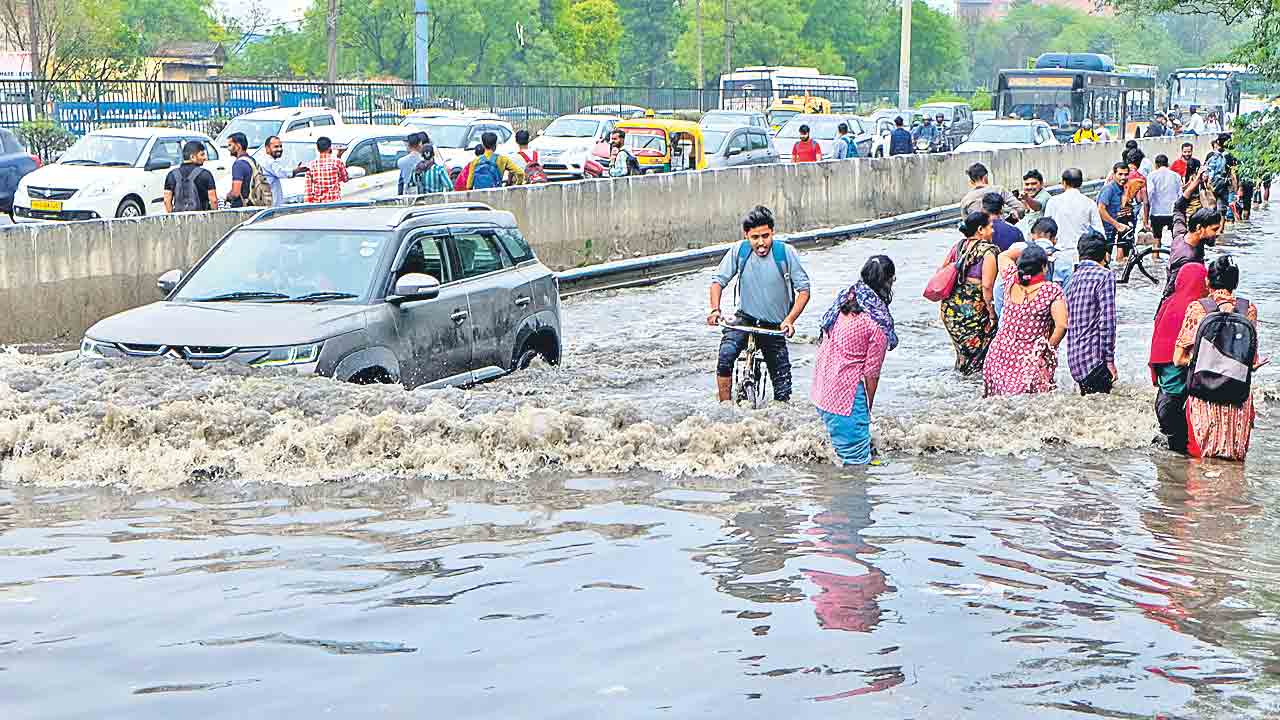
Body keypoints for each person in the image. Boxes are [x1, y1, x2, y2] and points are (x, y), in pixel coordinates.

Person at [707, 206, 812, 403]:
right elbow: (717, 282)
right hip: (745, 317)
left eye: (766, 236)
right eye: (755, 237)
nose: (761, 243)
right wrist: (715, 310)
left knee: (783, 391)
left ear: (773, 232)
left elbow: (804, 291)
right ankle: (724, 408)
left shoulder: (785, 253)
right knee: (725, 357)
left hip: (774, 324)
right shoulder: (740, 251)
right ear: (746, 235)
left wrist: (789, 320)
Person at [1173, 256, 1262, 461]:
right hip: (1237, 398)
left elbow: (1178, 358)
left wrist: (1208, 361)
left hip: (1204, 396)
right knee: (1235, 468)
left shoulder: (1198, 309)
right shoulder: (1249, 309)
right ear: (1235, 283)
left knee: (1200, 465)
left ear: (1207, 282)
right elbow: (1251, 361)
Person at [1150, 208, 1222, 452]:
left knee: (1168, 391)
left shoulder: (1180, 238)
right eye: (1215, 229)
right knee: (1173, 396)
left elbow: (1178, 210)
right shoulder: (1196, 310)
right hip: (1174, 382)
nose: (1218, 233)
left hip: (1164, 365)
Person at [812, 256, 896, 465]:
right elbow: (871, 375)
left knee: (835, 459)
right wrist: (866, 412)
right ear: (889, 282)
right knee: (856, 467)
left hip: (822, 392)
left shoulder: (843, 301)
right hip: (845, 401)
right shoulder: (877, 325)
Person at [982, 243, 1067, 397]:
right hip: (1029, 358)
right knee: (1034, 408)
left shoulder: (1010, 280)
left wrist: (1028, 253)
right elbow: (1061, 326)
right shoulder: (1051, 290)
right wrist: (1046, 351)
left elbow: (1003, 255)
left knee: (1000, 406)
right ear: (1044, 267)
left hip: (999, 354)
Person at [940, 212, 999, 376]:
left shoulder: (958, 246)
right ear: (981, 229)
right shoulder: (988, 251)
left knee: (963, 354)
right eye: (990, 227)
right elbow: (987, 286)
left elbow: (941, 271)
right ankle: (975, 389)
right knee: (980, 354)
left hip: (950, 311)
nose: (993, 231)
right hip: (974, 312)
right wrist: (993, 314)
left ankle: (960, 380)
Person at [1065, 230, 1117, 395]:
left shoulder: (1073, 278)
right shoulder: (1105, 276)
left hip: (1075, 361)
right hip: (1094, 360)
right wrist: (1109, 360)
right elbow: (1108, 322)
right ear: (1105, 255)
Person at [995, 216, 1065, 316]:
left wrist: (1002, 315)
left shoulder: (1015, 251)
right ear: (1054, 239)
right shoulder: (1063, 260)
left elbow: (999, 288)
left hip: (1010, 319)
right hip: (1041, 325)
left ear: (1032, 235)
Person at [1044, 167, 1104, 250]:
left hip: (1059, 249)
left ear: (1063, 183)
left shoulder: (1053, 201)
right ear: (1081, 183)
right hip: (1082, 250)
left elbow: (1046, 227)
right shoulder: (1089, 203)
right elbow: (1099, 230)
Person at [163, 140, 219, 213]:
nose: (205, 158)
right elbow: (213, 200)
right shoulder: (205, 174)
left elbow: (166, 201)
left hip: (180, 220)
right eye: (202, 155)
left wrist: (172, 217)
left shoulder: (172, 175)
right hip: (202, 219)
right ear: (192, 157)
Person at [960, 163, 1025, 220]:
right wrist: (1012, 217)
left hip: (979, 233)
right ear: (985, 177)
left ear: (971, 181)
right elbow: (1020, 208)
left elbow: (967, 224)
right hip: (999, 231)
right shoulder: (999, 190)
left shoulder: (965, 200)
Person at [1097, 161, 1132, 263]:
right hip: (1105, 230)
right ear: (1114, 175)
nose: (1123, 177)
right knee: (1105, 260)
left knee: (1113, 259)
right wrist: (1116, 224)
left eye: (1125, 174)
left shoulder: (1121, 188)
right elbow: (1100, 209)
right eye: (1120, 174)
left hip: (1112, 229)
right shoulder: (1109, 189)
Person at [1146, 154, 1181, 250]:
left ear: (1156, 165)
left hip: (1157, 212)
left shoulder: (1151, 176)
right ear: (1168, 163)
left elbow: (1150, 193)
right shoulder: (1176, 176)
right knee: (1175, 238)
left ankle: (1155, 260)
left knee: (1156, 239)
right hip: (1172, 212)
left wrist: (1146, 214)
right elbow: (1180, 195)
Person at [304, 136, 349, 204]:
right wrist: (339, 156)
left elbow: (308, 189)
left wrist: (309, 204)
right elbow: (345, 179)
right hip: (335, 203)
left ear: (318, 149)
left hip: (318, 204)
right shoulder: (337, 162)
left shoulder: (311, 165)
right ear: (330, 147)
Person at [1120, 148, 1149, 246]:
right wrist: (1145, 221)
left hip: (1115, 208)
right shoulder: (1140, 178)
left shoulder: (1117, 174)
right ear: (1140, 162)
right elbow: (1143, 200)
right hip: (1129, 210)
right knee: (1128, 235)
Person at [1014, 169, 1051, 236]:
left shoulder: (1044, 195)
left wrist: (1027, 198)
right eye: (1027, 184)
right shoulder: (1027, 197)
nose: (1030, 187)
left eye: (1034, 184)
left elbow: (1037, 206)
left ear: (1041, 183)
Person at [225, 132, 253, 208]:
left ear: (238, 146)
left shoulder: (238, 164)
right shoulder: (252, 161)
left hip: (243, 207)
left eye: (230, 145)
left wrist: (226, 197)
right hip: (254, 204)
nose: (228, 149)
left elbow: (235, 193)